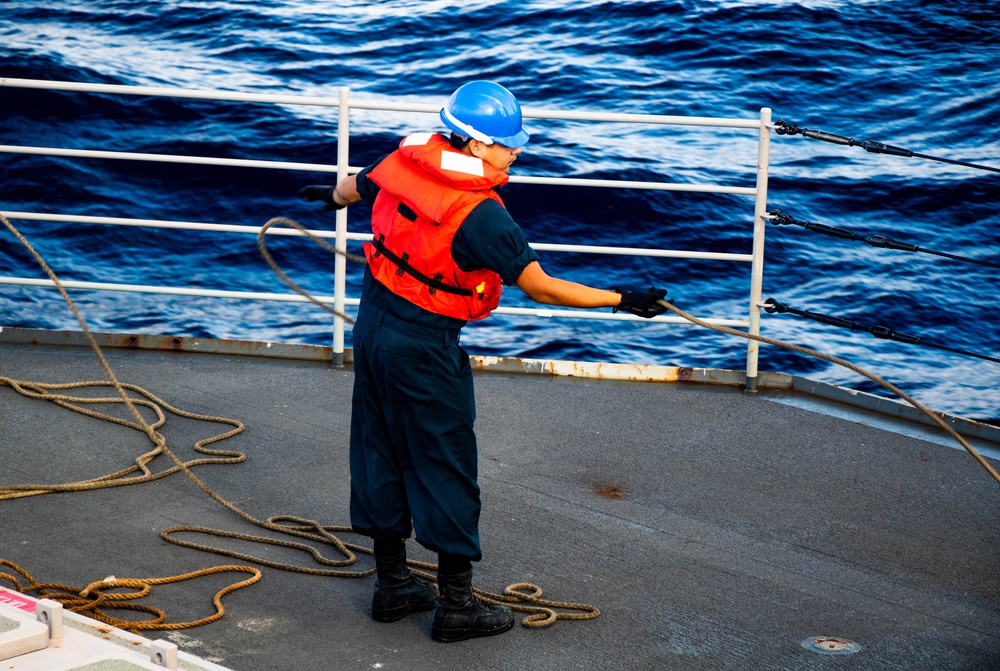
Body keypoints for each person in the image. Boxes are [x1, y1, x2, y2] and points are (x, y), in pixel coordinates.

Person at [299, 80, 668, 643]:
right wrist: (623, 300)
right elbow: (541, 288)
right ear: (472, 145)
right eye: (506, 143)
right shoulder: (481, 215)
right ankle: (457, 606)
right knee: (443, 462)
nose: (516, 151)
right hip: (423, 345)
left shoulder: (404, 159)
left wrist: (328, 197)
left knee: (379, 447)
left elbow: (356, 187)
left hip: (373, 324)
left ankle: (393, 586)